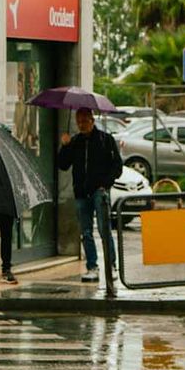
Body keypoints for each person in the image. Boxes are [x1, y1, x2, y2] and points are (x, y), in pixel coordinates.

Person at [56, 108, 122, 284]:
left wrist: (105, 184)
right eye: (79, 121)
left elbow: (117, 166)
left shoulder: (105, 140)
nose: (81, 125)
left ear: (92, 120)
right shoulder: (75, 142)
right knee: (86, 232)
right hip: (81, 193)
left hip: (99, 191)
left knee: (104, 230)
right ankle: (92, 266)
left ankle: (111, 266)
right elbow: (63, 165)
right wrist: (65, 146)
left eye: (85, 121)